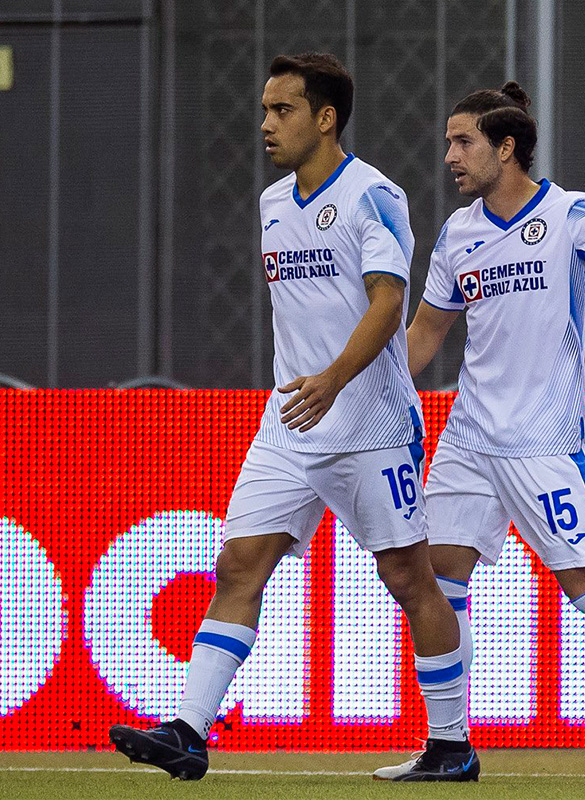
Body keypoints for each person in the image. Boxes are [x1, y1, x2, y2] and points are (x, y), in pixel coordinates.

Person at [109, 52, 474, 782]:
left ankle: (451, 744)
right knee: (239, 563)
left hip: (369, 420)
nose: (268, 123)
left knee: (411, 577)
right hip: (290, 421)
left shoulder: (375, 195)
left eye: (283, 110)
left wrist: (336, 380)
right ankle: (188, 732)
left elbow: (387, 302)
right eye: (266, 110)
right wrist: (309, 389)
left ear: (326, 117)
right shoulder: (275, 202)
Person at [371, 82, 585, 785]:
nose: (450, 155)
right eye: (448, 142)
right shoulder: (458, 233)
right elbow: (424, 338)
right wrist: (360, 384)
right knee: (437, 578)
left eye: (463, 141)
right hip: (468, 436)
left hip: (541, 440)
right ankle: (449, 746)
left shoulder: (570, 215)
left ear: (506, 148)